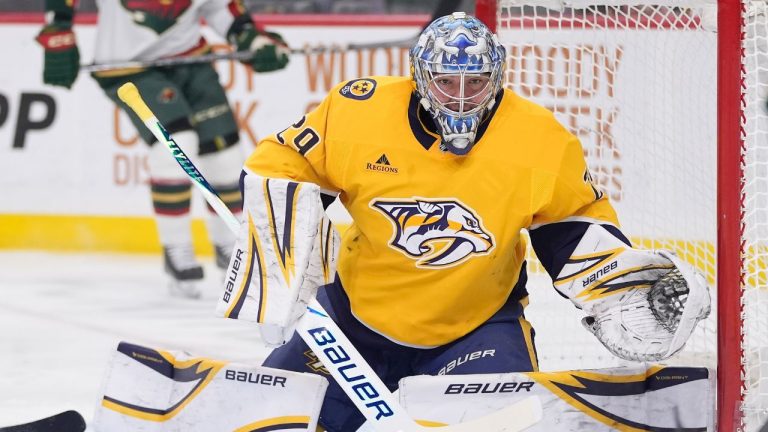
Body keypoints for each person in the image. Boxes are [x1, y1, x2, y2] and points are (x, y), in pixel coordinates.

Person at [224, 12, 711, 431]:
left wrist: (618, 286)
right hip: (354, 319)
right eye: (446, 81)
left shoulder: (540, 140)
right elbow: (281, 163)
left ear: (496, 77)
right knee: (271, 420)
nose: (461, 98)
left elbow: (571, 225)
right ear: (420, 75)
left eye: (475, 82)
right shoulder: (359, 111)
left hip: (478, 329)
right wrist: (282, 251)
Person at [36, 0, 290, 298]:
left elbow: (222, 10)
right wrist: (59, 27)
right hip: (130, 67)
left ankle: (228, 246)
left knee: (225, 157)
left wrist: (253, 39)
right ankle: (177, 249)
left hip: (191, 62)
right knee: (176, 145)